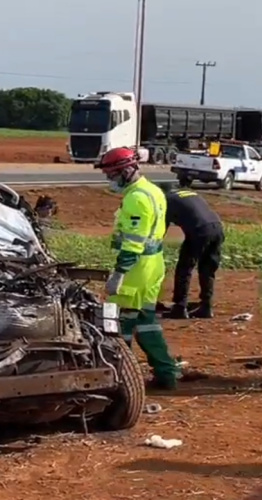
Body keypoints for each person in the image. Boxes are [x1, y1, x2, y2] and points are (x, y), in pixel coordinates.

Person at [97, 147, 179, 390]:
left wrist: (119, 274)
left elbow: (134, 241)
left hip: (136, 269)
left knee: (119, 324)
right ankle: (167, 374)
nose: (110, 180)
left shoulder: (136, 198)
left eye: (112, 174)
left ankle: (122, 378)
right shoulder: (152, 190)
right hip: (153, 264)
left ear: (127, 170)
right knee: (146, 320)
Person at [159, 185, 225, 319]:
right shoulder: (189, 193)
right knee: (207, 269)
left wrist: (155, 244)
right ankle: (206, 307)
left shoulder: (166, 200)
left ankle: (180, 307)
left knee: (184, 268)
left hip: (199, 231)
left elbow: (161, 228)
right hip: (217, 228)